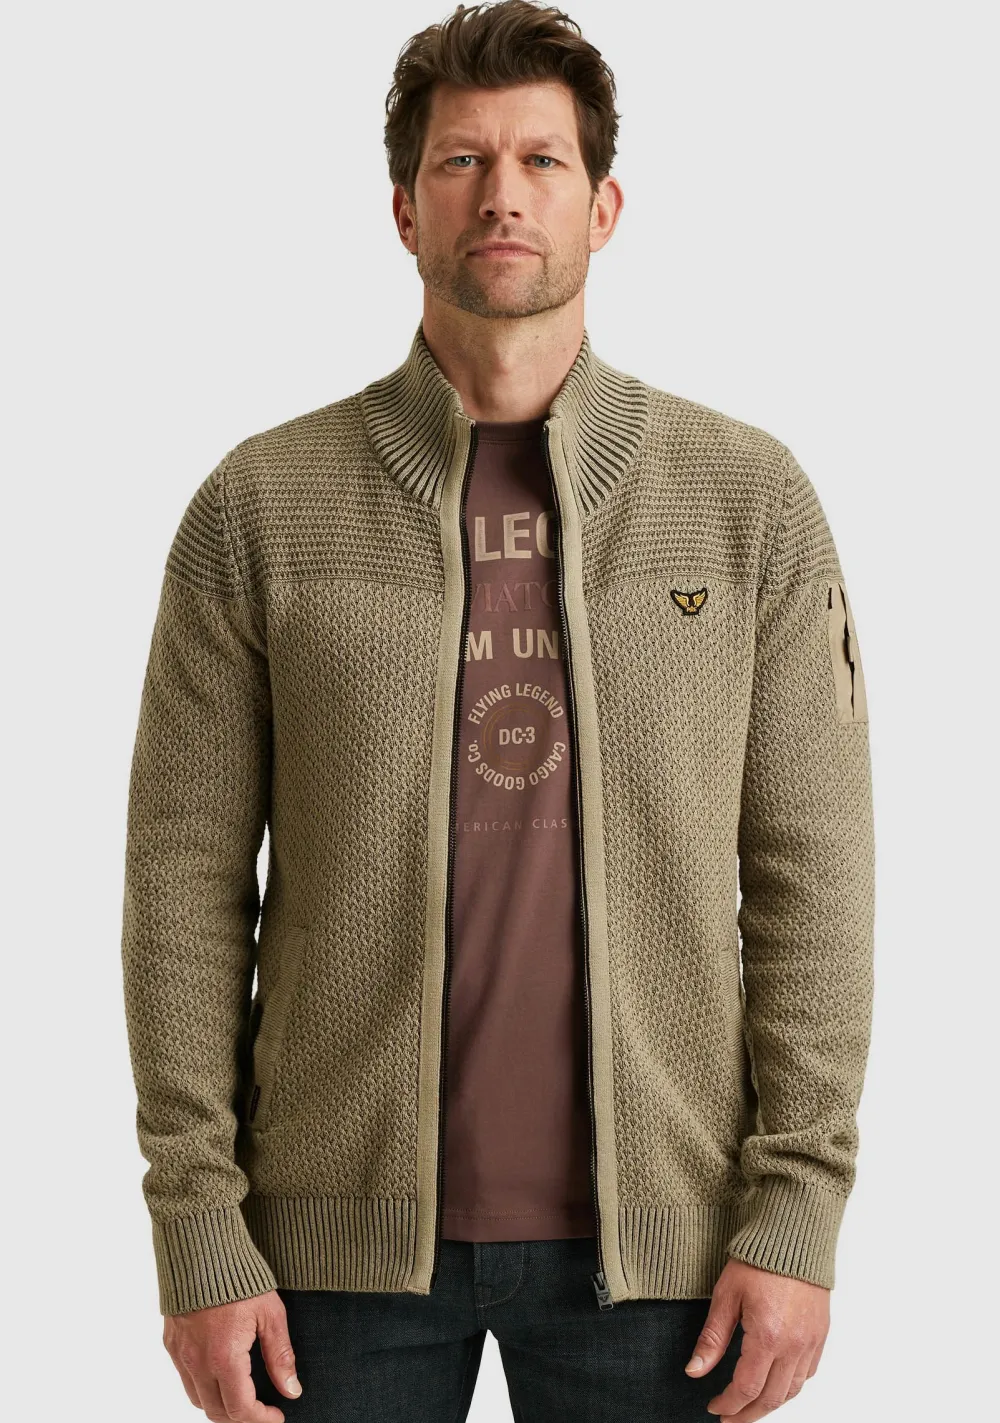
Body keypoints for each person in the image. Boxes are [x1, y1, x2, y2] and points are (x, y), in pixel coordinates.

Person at [119, 3, 875, 1420]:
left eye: (542, 159)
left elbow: (812, 877)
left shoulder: (749, 504)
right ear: (405, 210)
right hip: (323, 1258)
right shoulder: (260, 508)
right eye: (462, 161)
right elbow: (183, 885)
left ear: (605, 206)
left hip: (665, 1258)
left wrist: (797, 1207)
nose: (503, 194)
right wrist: (197, 1221)